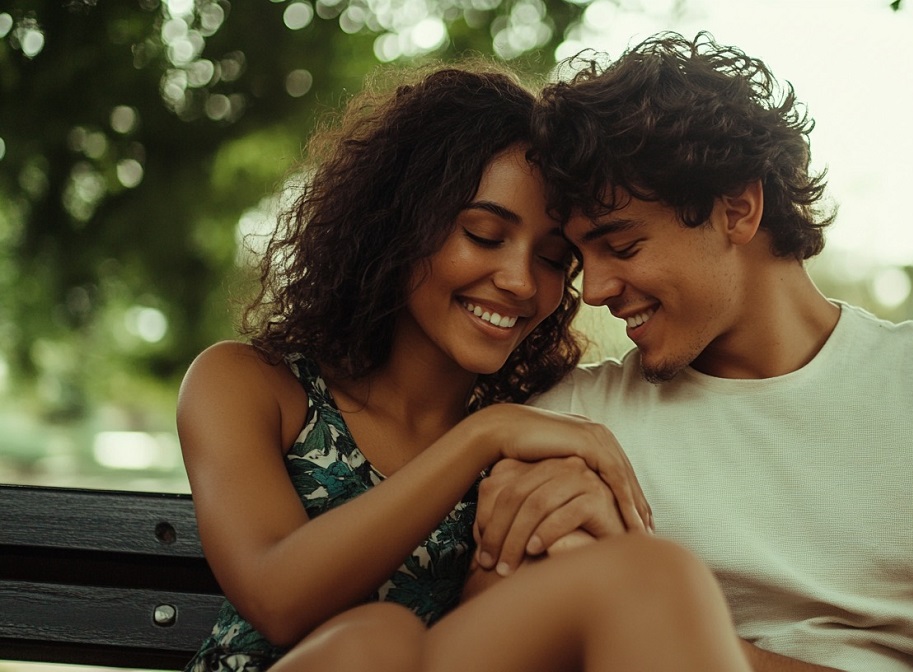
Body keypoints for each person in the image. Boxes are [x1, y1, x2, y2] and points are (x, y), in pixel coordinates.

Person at [469, 32, 913, 672]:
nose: (594, 291)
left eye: (621, 246)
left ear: (738, 208)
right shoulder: (569, 423)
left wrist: (663, 628)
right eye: (579, 257)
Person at [176, 62, 754, 672]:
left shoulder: (532, 433)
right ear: (398, 222)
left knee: (653, 573)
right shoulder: (247, 385)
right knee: (373, 638)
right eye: (483, 234)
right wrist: (484, 434)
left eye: (555, 259)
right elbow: (277, 598)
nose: (519, 281)